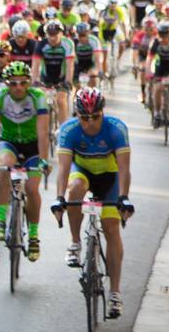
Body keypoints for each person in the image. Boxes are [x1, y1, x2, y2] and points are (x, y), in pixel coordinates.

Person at [50, 88, 134, 318]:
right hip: (83, 172)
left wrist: (124, 197)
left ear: (102, 113)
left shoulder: (116, 129)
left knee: (111, 228)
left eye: (95, 116)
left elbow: (125, 169)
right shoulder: (69, 130)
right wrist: (59, 199)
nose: (89, 123)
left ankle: (115, 293)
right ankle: (75, 242)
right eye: (83, 117)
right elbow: (63, 169)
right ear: (76, 115)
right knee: (74, 190)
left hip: (110, 177)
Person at [0, 61, 51, 259]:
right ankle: (1, 220)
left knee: (31, 189)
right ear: (6, 84)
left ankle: (33, 235)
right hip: (9, 142)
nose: (19, 87)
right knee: (5, 167)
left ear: (29, 82)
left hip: (32, 146)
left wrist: (44, 161)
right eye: (13, 83)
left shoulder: (38, 97)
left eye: (23, 82)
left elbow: (43, 132)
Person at [35, 20, 75, 125]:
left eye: (55, 35)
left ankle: (63, 130)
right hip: (46, 78)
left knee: (61, 100)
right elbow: (35, 65)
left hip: (61, 79)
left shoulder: (68, 43)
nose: (52, 38)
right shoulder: (41, 44)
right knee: (41, 102)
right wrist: (35, 81)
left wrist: (68, 81)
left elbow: (70, 64)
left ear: (61, 33)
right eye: (50, 35)